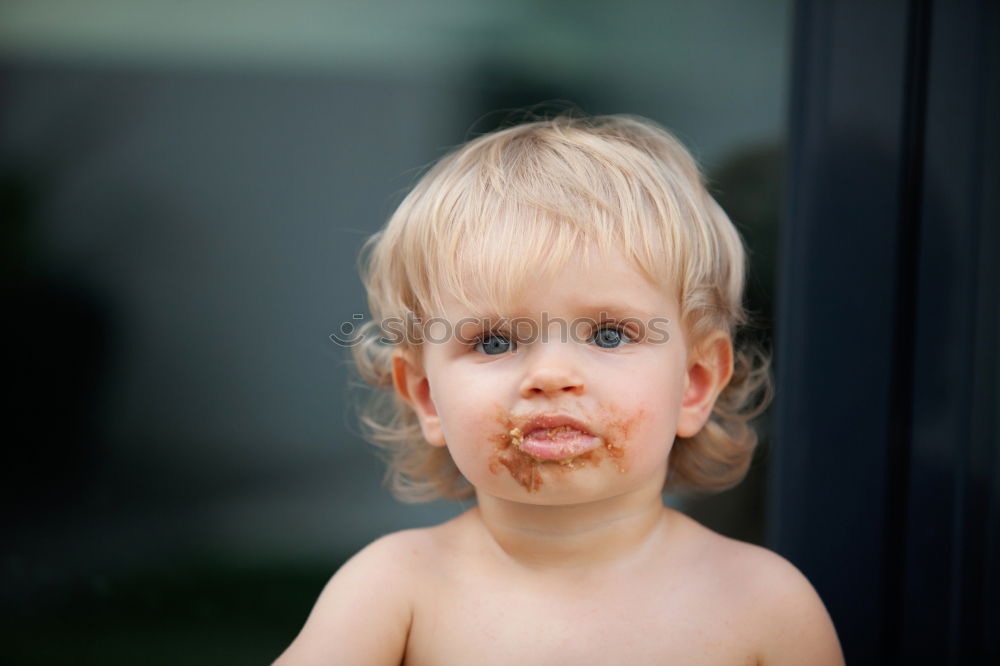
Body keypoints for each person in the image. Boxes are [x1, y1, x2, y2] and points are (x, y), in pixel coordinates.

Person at [274, 114, 844, 665]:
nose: (550, 375)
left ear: (695, 385)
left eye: (609, 333)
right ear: (426, 398)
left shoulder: (763, 604)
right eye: (495, 342)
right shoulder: (395, 590)